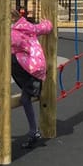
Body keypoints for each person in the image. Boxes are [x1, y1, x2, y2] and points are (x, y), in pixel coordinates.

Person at [10, 10, 53, 149]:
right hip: (39, 66)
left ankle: (31, 88)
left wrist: (4, 39)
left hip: (30, 68)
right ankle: (33, 131)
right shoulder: (29, 26)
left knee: (10, 61)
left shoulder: (13, 33)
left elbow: (14, 42)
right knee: (24, 99)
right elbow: (45, 28)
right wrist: (46, 23)